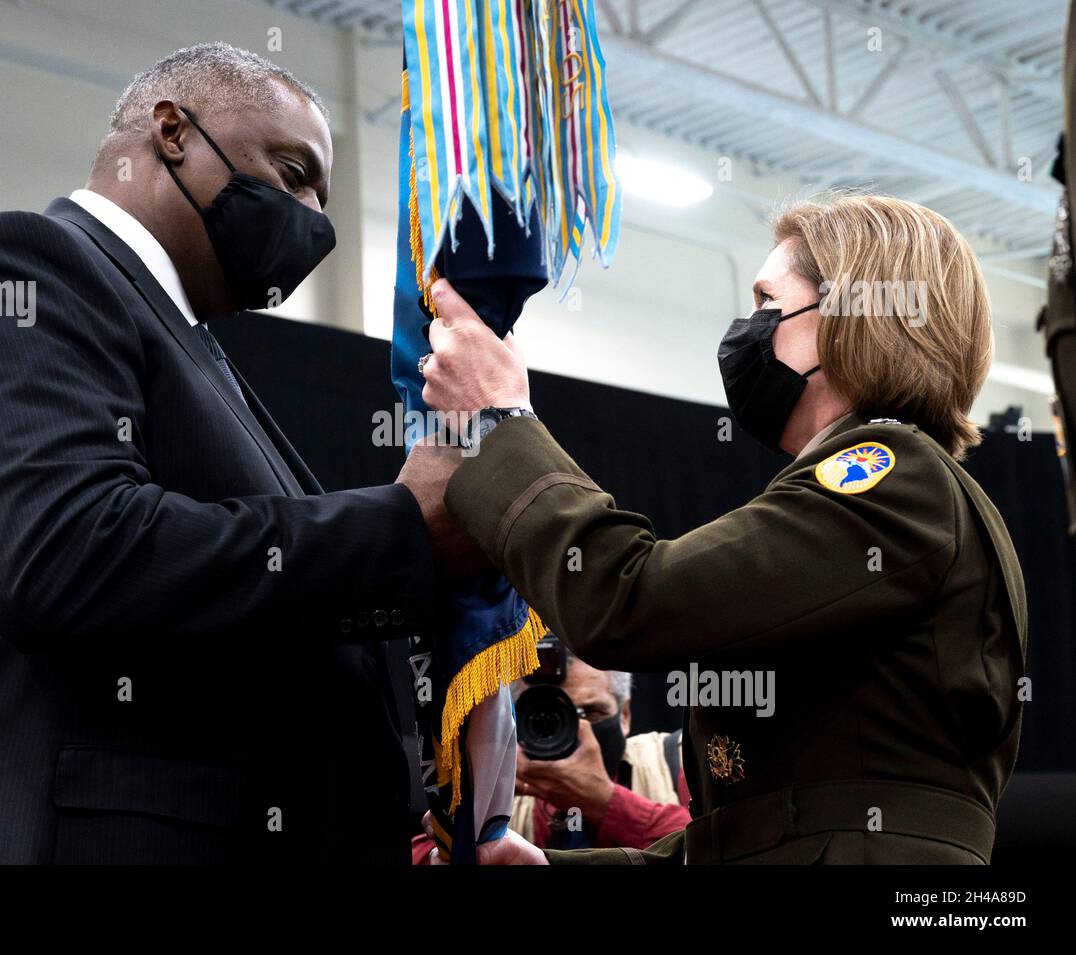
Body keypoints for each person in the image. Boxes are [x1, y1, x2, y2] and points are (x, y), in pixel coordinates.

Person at [0, 42, 470, 864]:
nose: (313, 218)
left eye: (324, 195)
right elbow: (64, 554)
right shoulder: (19, 266)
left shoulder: (199, 352)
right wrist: (400, 529)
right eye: (292, 172)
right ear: (172, 131)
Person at [406, 194, 1028, 864]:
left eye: (768, 302)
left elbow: (626, 600)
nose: (747, 329)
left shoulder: (891, 479)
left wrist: (501, 421)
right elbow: (746, 839)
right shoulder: (894, 490)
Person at [409, 651, 687, 862]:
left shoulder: (677, 759)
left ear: (625, 715)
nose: (575, 733)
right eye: (548, 718)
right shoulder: (496, 780)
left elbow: (715, 845)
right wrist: (461, 827)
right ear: (515, 718)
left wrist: (606, 802)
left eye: (590, 713)